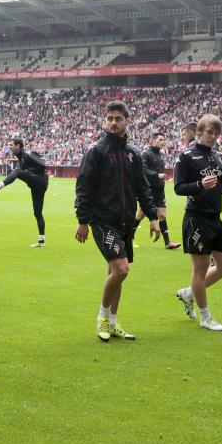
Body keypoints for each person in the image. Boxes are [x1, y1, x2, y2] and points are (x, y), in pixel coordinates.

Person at [74, 100, 160, 342]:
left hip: (126, 222)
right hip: (102, 221)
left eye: (118, 118)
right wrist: (82, 220)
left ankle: (112, 323)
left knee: (115, 272)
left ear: (127, 121)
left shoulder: (132, 153)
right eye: (109, 118)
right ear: (105, 120)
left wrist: (153, 217)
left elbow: (143, 188)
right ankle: (102, 317)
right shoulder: (96, 151)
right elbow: (84, 187)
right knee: (122, 269)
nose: (113, 122)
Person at [174, 114, 222, 332]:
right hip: (196, 218)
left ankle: (188, 294)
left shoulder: (218, 156)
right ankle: (206, 317)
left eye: (216, 133)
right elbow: (178, 187)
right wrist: (199, 184)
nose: (213, 137)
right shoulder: (186, 156)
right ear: (199, 132)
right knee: (200, 269)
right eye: (209, 132)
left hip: (215, 217)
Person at [0, 138, 49, 247]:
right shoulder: (20, 159)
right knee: (37, 213)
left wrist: (32, 171)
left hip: (40, 180)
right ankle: (42, 241)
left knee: (17, 172)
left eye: (11, 145)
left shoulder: (27, 154)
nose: (9, 147)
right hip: (37, 184)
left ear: (18, 146)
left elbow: (43, 164)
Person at [133, 132, 181, 250]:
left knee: (162, 215)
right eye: (160, 139)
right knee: (141, 214)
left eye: (163, 140)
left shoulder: (160, 155)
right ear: (152, 141)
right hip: (148, 189)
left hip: (159, 190)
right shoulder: (145, 154)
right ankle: (129, 237)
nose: (162, 142)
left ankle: (168, 243)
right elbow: (142, 170)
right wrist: (156, 175)